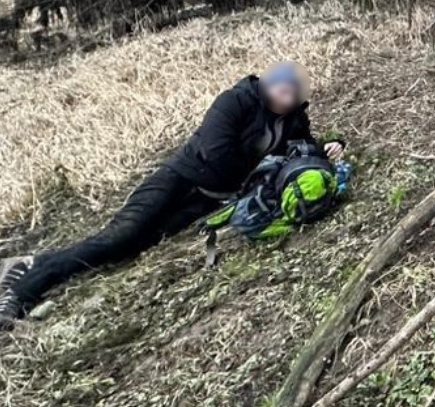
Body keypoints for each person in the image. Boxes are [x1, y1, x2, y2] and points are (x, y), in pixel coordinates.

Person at [0, 62, 345, 328]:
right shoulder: (235, 100)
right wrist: (255, 176)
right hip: (179, 178)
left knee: (138, 244)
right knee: (119, 236)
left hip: (207, 200)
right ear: (270, 85)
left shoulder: (293, 121)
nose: (285, 100)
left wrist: (332, 146)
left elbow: (302, 149)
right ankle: (22, 291)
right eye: (282, 91)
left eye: (293, 95)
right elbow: (216, 151)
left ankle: (36, 262)